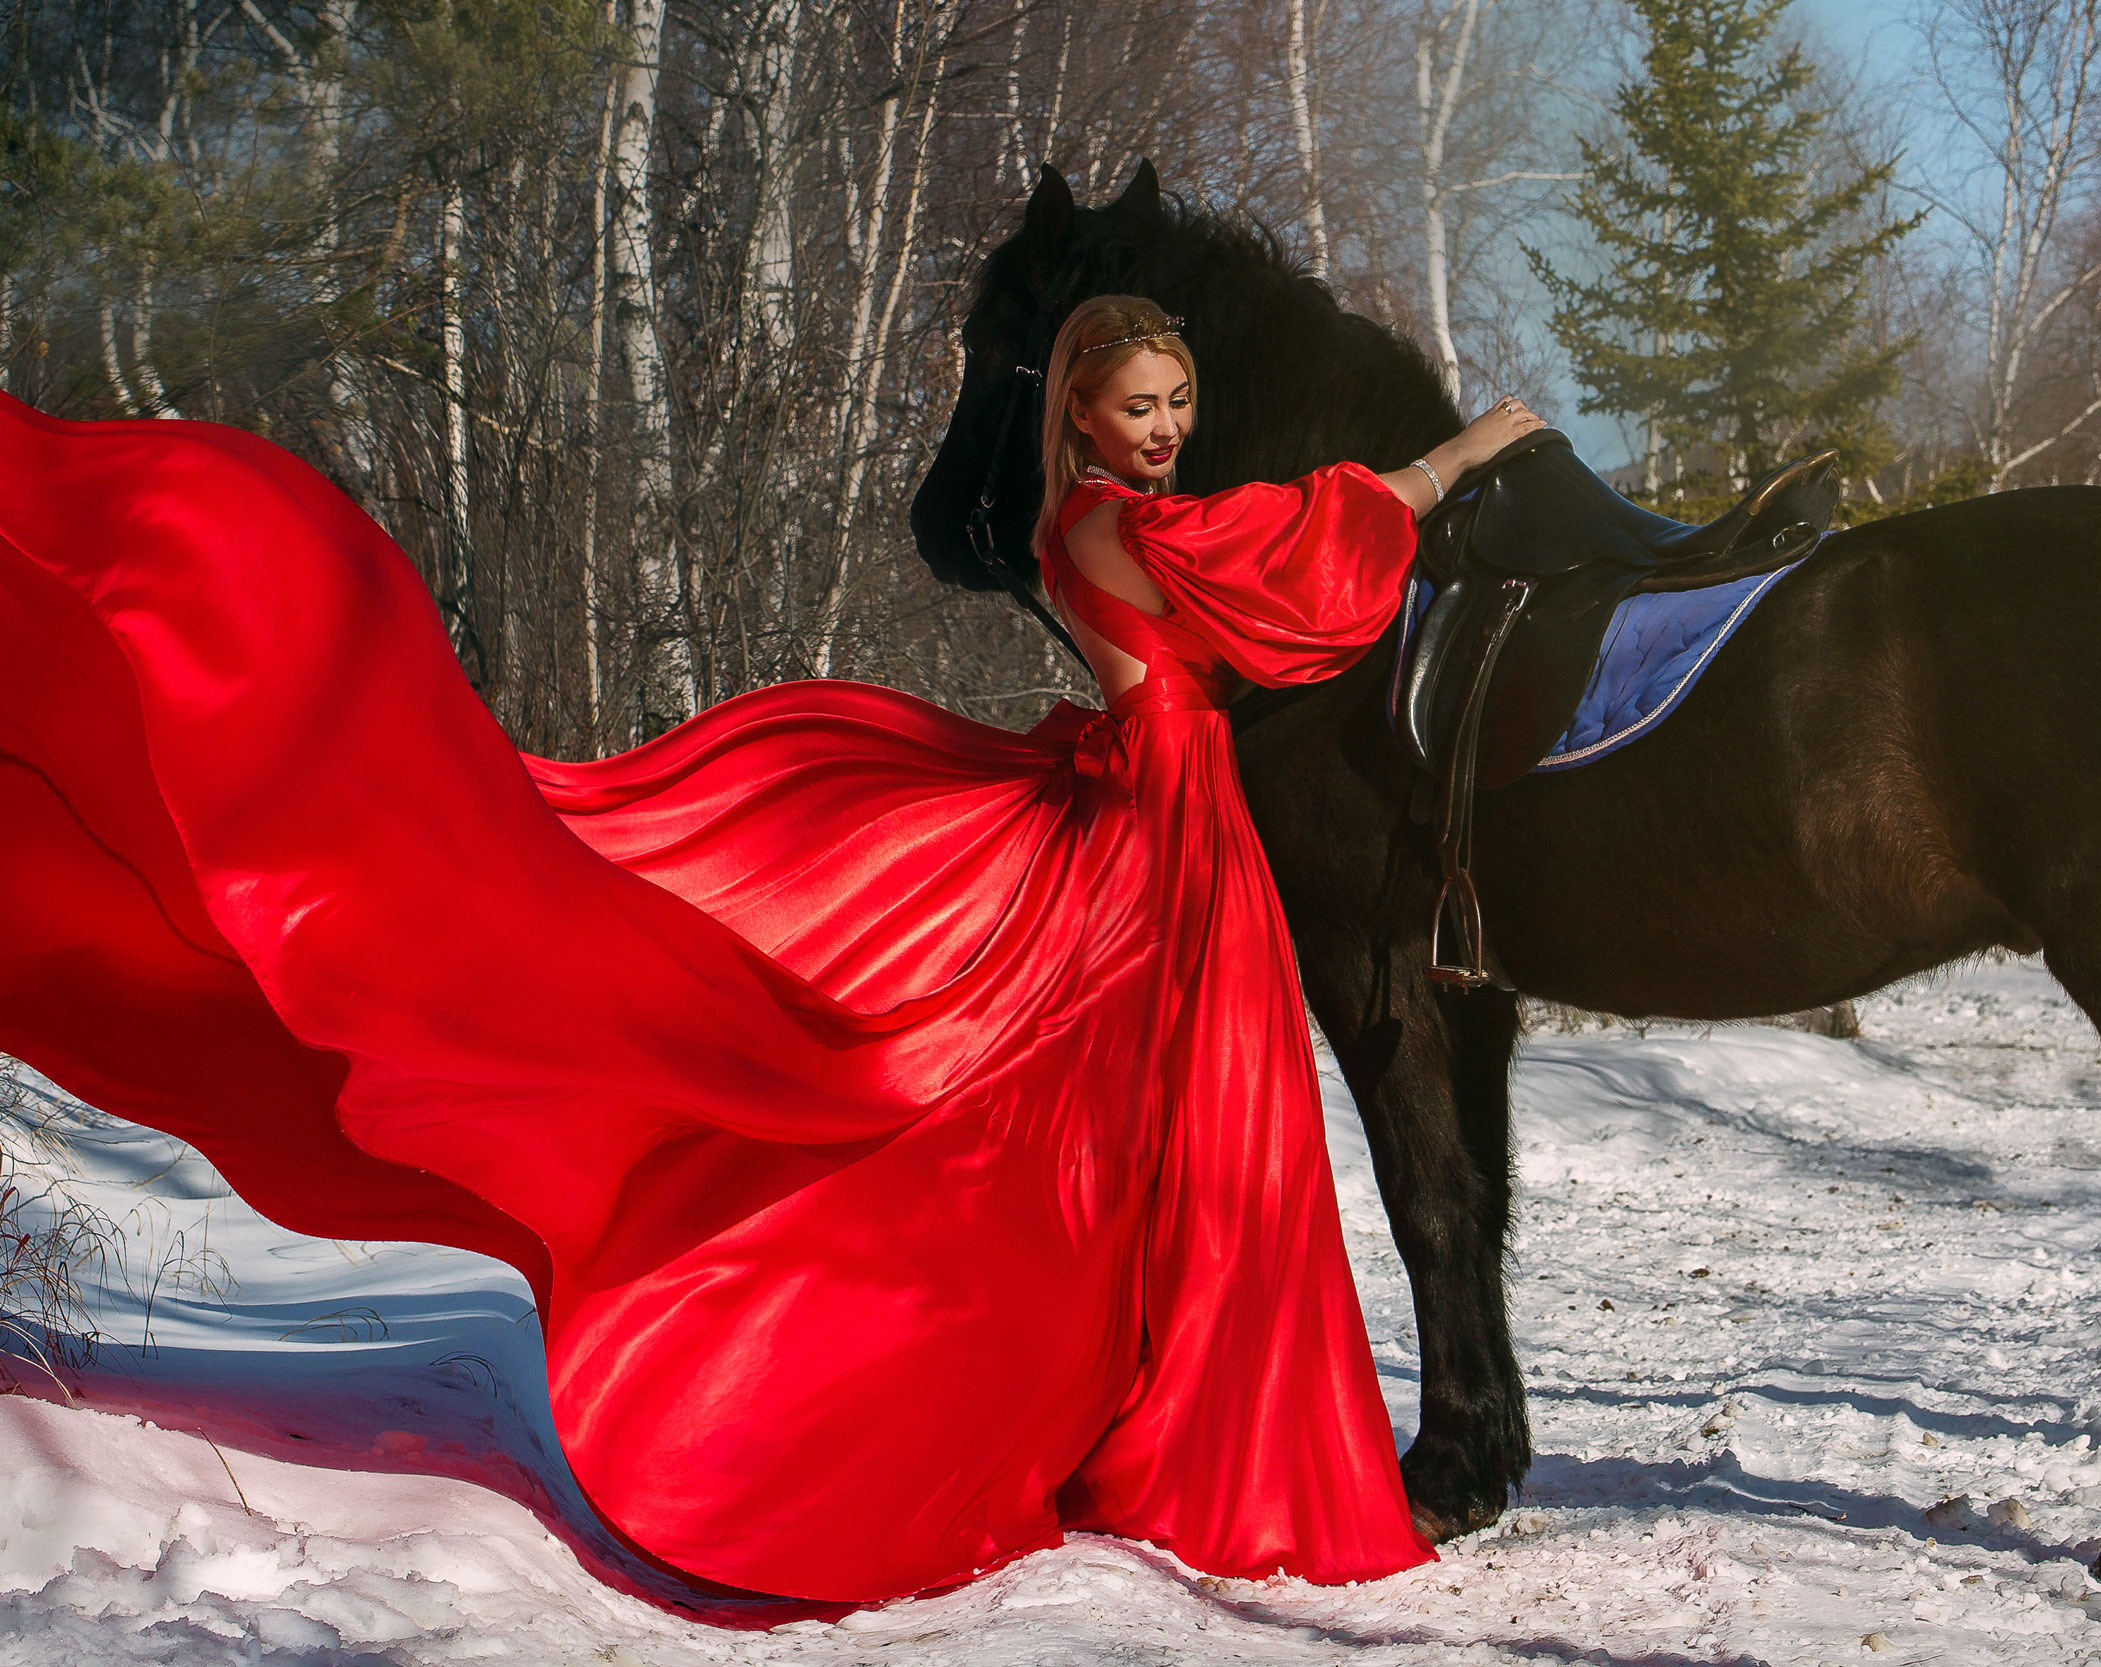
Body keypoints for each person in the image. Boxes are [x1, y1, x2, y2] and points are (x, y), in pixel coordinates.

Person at [0, 293, 1539, 1607]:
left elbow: (1271, 559)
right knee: (1215, 1143)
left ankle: (1154, 1422)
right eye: (1138, 404)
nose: (1165, 428)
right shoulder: (1105, 522)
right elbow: (1300, 549)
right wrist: (1467, 449)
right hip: (1164, 835)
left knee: (1178, 1143)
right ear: (1079, 410)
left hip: (1162, 814)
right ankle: (1194, 1451)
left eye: (1179, 404)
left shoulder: (1103, 521)